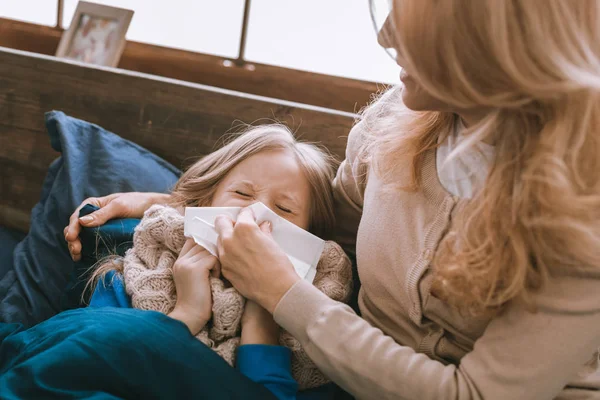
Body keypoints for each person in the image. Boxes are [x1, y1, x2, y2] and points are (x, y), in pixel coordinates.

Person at [64, 1, 600, 399]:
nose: (387, 35)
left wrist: (280, 295)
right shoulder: (400, 119)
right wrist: (179, 205)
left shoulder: (583, 217)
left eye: (417, 25)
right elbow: (319, 217)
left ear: (498, 52)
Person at [85, 125, 352, 400]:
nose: (251, 216)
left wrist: (262, 330)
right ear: (205, 200)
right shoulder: (127, 281)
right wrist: (187, 314)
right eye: (243, 194)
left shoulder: (317, 341)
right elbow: (89, 378)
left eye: (284, 209)